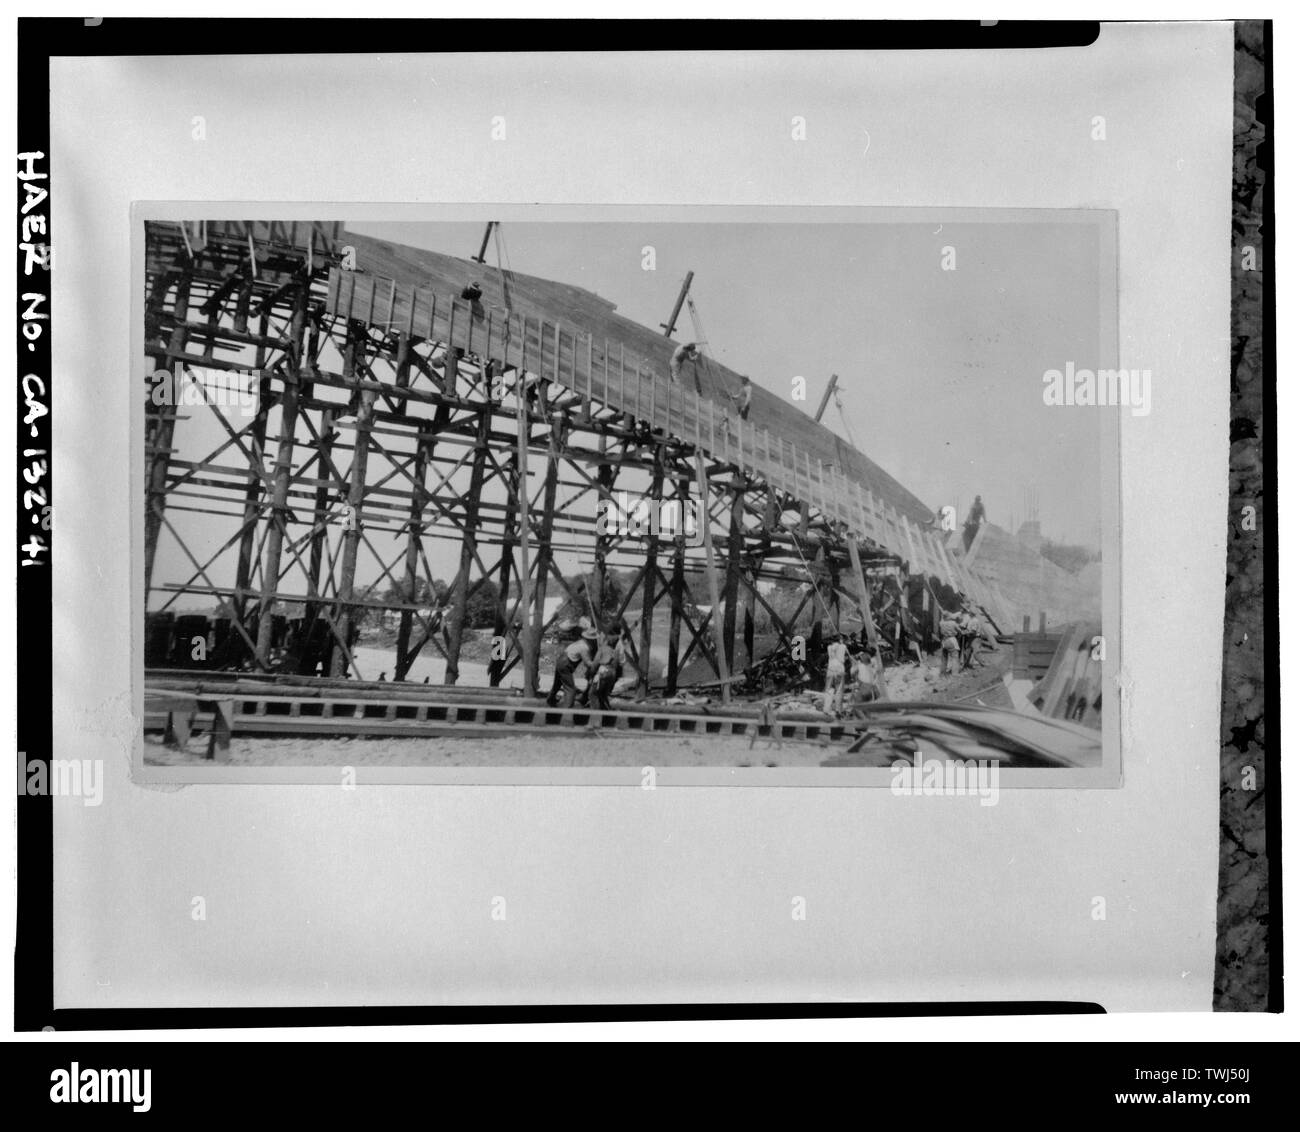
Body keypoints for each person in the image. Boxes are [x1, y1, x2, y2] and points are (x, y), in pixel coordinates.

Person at [547, 628, 597, 708]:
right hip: (565, 664)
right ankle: (568, 707)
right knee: (570, 688)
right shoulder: (584, 647)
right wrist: (597, 663)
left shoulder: (580, 642)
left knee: (557, 684)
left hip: (561, 660)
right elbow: (587, 663)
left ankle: (550, 700)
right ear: (592, 639)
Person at [585, 630, 622, 710]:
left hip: (603, 672)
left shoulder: (602, 649)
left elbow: (595, 664)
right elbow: (617, 665)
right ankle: (607, 714)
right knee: (603, 695)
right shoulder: (615, 652)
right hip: (612, 673)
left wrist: (591, 675)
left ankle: (595, 715)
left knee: (592, 694)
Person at [824, 634, 848, 714]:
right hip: (840, 669)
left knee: (829, 689)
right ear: (840, 640)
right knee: (839, 690)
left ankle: (826, 709)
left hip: (830, 669)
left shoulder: (829, 647)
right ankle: (838, 710)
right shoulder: (843, 646)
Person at [938, 612, 961, 677]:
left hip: (944, 641)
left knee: (944, 658)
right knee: (955, 657)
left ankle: (942, 673)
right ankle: (955, 673)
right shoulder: (953, 623)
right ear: (949, 617)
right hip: (951, 640)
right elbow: (959, 630)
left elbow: (942, 619)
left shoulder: (941, 623)